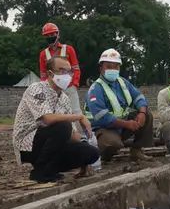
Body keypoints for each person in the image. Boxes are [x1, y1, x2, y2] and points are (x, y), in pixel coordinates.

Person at [13, 55, 100, 183]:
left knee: (91, 152)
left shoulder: (64, 98)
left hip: (53, 143)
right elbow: (48, 119)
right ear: (50, 73)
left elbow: (73, 135)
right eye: (62, 71)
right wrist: (79, 116)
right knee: (63, 126)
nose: (67, 75)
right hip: (30, 144)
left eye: (69, 72)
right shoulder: (36, 89)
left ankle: (51, 170)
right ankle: (40, 172)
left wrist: (84, 154)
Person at [84, 49, 154, 162]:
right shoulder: (96, 89)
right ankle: (102, 156)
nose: (113, 69)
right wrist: (127, 124)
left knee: (147, 115)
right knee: (112, 143)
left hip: (121, 127)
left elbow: (138, 97)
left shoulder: (123, 82)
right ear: (101, 69)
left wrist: (141, 112)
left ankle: (136, 150)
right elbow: (102, 117)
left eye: (116, 66)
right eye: (109, 66)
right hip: (102, 130)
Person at [38, 22, 82, 131]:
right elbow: (43, 74)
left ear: (58, 34)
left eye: (52, 34)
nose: (50, 37)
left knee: (75, 112)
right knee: (55, 114)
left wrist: (74, 84)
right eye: (47, 36)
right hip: (52, 89)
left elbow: (76, 69)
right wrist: (47, 88)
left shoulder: (68, 49)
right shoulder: (43, 54)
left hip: (69, 86)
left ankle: (81, 137)